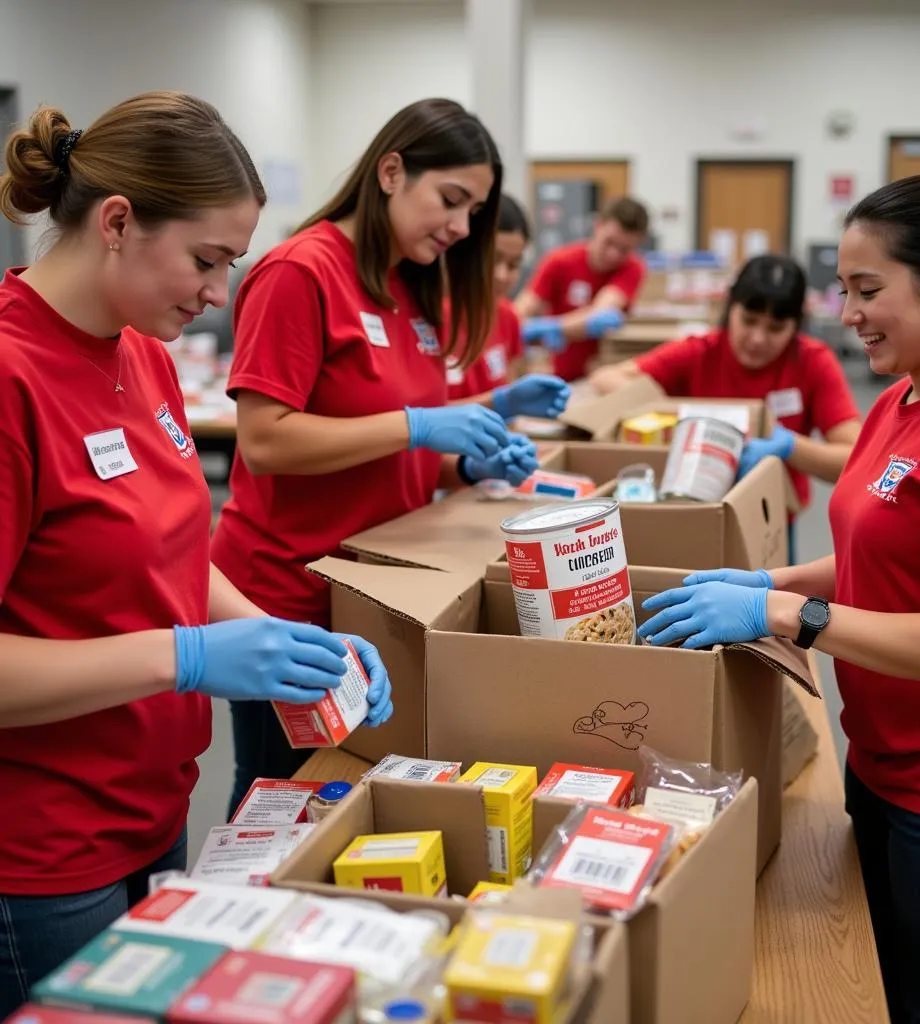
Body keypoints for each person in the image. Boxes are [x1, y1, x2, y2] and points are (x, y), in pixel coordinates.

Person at [0, 93, 392, 1015]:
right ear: (118, 222)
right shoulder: (13, 378)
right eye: (207, 260)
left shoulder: (144, 354)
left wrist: (281, 639)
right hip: (43, 851)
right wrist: (183, 658)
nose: (220, 294)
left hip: (155, 808)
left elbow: (172, 548)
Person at [638, 175, 920, 1024]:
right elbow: (873, 561)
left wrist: (788, 618)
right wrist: (767, 582)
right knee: (891, 991)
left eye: (867, 290)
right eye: (843, 290)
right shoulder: (899, 399)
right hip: (881, 760)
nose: (845, 313)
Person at [211, 99, 538, 811]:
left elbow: (395, 453)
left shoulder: (411, 289)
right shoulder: (301, 271)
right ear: (391, 171)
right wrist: (418, 425)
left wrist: (466, 463)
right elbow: (265, 440)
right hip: (289, 590)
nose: (459, 227)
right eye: (450, 200)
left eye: (473, 213)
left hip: (373, 590)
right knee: (284, 791)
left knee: (347, 789)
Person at [589, 255, 862, 521]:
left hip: (771, 514)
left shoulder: (813, 362)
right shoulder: (700, 351)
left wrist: (790, 446)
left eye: (775, 328)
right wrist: (673, 414)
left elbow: (856, 457)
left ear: (796, 326)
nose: (757, 339)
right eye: (749, 321)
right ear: (730, 307)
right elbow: (605, 378)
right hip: (693, 511)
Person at [447, 193, 569, 421]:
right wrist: (502, 403)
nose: (502, 275)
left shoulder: (506, 316)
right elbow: (415, 420)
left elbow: (511, 403)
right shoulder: (429, 317)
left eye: (514, 264)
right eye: (492, 260)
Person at [514, 195, 650, 382]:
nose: (613, 255)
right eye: (609, 242)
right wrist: (516, 328)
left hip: (596, 376)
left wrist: (553, 327)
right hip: (553, 372)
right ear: (598, 225)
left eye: (624, 249)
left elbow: (600, 314)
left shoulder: (632, 268)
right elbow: (524, 307)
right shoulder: (559, 261)